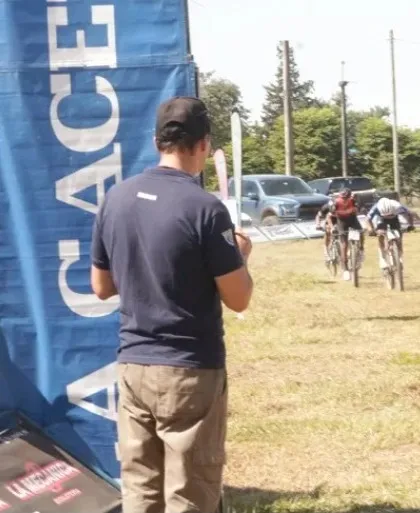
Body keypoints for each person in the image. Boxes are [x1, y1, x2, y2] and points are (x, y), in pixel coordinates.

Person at [90, 96, 253, 513]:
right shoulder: (205, 208)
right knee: (190, 496)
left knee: (140, 493)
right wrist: (240, 256)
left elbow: (100, 287)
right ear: (203, 145)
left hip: (133, 366)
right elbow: (239, 299)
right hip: (189, 369)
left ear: (156, 141)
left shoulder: (115, 199)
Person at [364, 197, 415, 269]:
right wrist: (371, 230)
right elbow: (367, 219)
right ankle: (382, 257)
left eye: (389, 214)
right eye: (385, 214)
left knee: (399, 236)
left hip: (394, 219)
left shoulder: (397, 206)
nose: (387, 216)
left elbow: (409, 214)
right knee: (381, 234)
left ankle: (399, 256)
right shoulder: (376, 207)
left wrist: (411, 225)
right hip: (381, 219)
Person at [330, 188, 365, 281]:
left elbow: (358, 209)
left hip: (352, 219)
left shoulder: (353, 200)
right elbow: (332, 212)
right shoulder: (336, 202)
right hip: (341, 221)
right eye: (343, 198)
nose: (345, 199)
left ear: (349, 196)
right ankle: (345, 269)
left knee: (361, 232)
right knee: (344, 244)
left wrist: (356, 206)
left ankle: (361, 249)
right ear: (340, 196)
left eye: (346, 197)